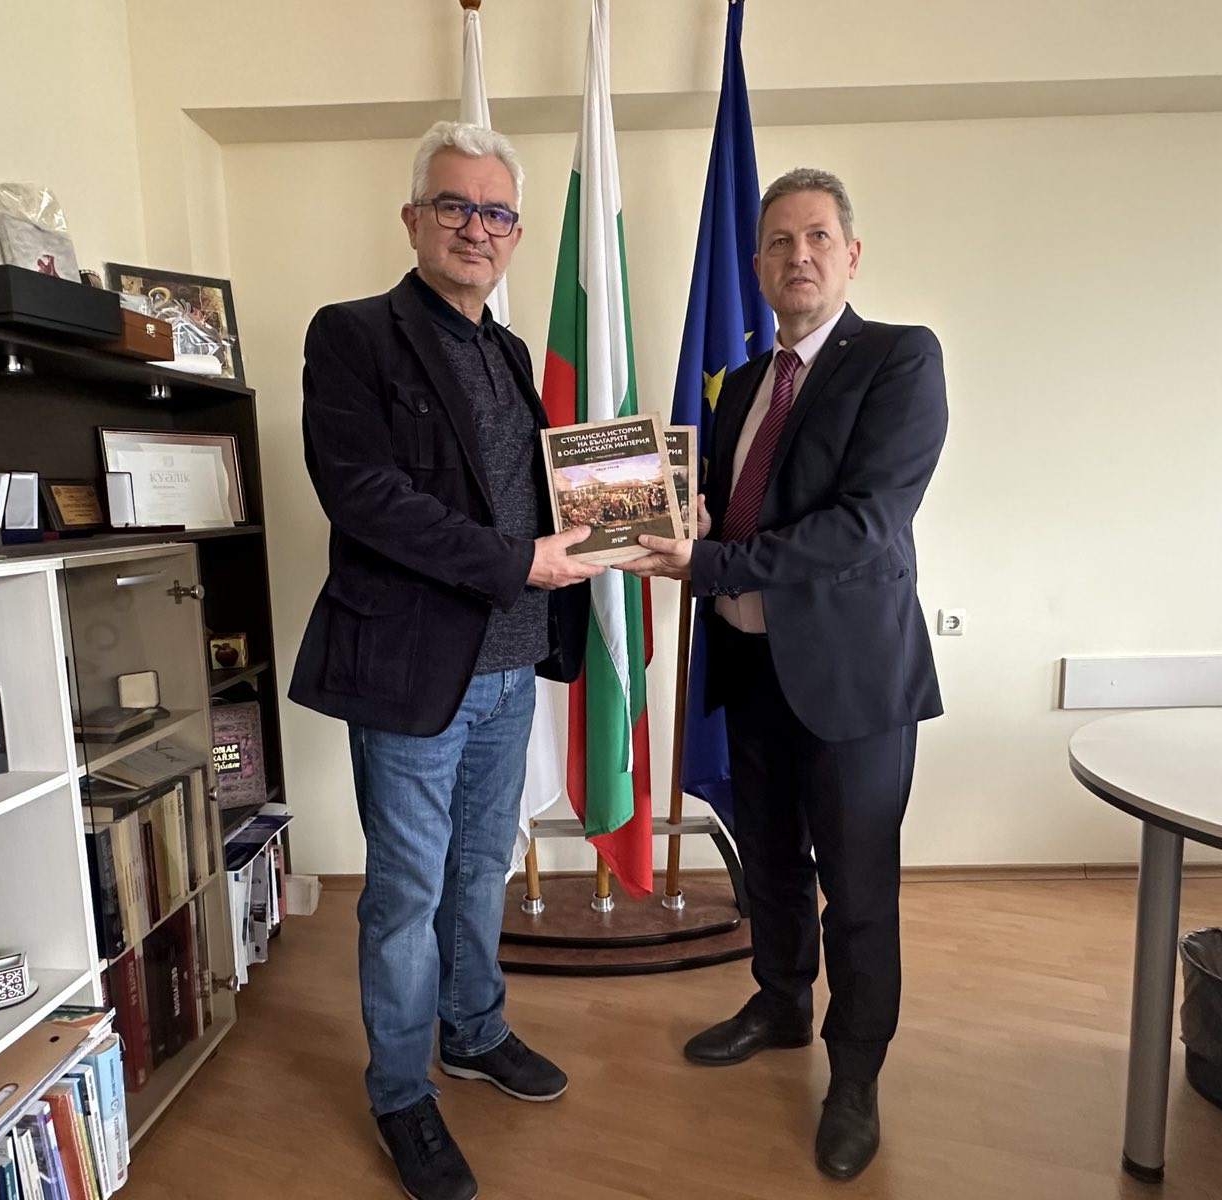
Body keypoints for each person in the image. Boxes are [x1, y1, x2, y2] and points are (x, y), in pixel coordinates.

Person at [289, 120, 601, 1200]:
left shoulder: (506, 352)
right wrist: (521, 561)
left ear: (515, 232)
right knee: (406, 890)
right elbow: (366, 498)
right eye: (456, 206)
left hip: (510, 667)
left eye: (497, 212)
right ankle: (399, 1092)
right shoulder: (353, 335)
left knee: (478, 870)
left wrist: (632, 513)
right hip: (413, 674)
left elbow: (534, 493)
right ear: (414, 219)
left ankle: (472, 1030)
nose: (478, 228)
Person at [620, 167, 948, 1180]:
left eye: (815, 238)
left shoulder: (899, 359)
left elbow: (864, 526)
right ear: (757, 264)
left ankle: (855, 1075)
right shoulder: (740, 385)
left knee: (858, 887)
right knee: (767, 860)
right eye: (777, 242)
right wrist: (683, 521)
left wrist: (710, 561)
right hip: (752, 665)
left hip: (851, 683)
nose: (796, 256)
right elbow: (731, 510)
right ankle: (778, 1002)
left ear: (850, 255)